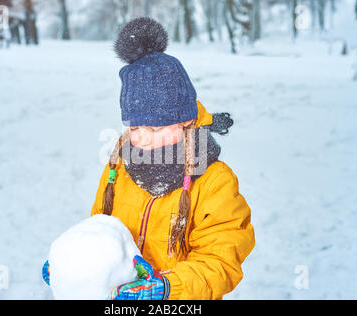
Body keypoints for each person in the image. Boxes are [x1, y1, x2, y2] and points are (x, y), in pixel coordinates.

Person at [89, 17, 255, 300]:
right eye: (136, 127)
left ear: (186, 122)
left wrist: (169, 289)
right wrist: (75, 261)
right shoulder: (118, 169)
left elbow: (221, 261)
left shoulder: (214, 183)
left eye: (155, 128)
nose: (143, 138)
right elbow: (100, 231)